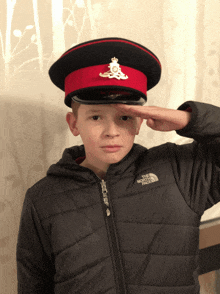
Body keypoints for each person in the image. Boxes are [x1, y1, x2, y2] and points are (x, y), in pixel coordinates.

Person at [16, 37, 220, 294]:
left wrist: (188, 119)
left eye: (124, 117)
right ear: (74, 123)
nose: (111, 131)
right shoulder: (43, 198)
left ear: (139, 122)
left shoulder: (179, 171)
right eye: (96, 117)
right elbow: (33, 283)